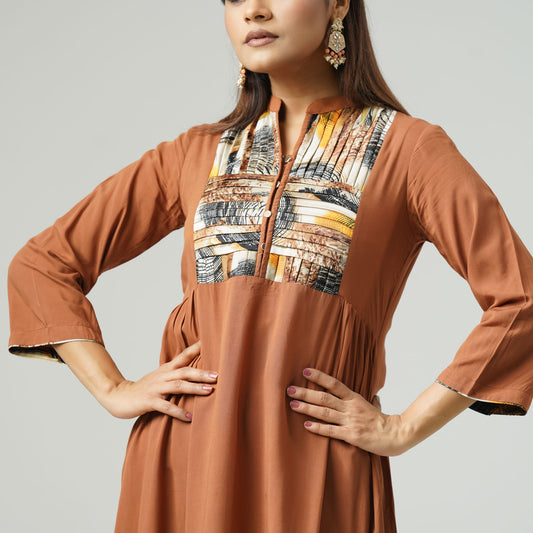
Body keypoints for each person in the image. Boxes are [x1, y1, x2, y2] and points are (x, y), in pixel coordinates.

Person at [6, 0, 533, 531]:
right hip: (184, 459)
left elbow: (521, 300)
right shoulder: (196, 152)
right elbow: (42, 265)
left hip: (316, 466)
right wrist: (113, 389)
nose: (253, 11)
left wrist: (404, 428)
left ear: (337, 4)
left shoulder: (408, 149)